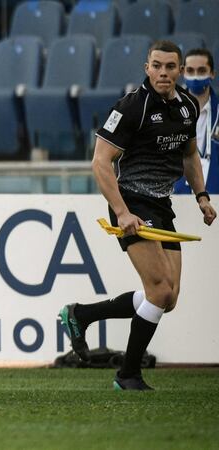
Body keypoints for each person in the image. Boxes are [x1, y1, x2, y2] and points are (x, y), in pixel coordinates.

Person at [58, 41, 216, 390]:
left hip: (161, 205)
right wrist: (122, 212)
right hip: (131, 202)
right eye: (156, 66)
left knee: (168, 298)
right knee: (158, 289)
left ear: (179, 71)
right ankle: (128, 374)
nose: (163, 72)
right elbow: (100, 162)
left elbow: (190, 155)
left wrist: (202, 196)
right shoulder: (132, 106)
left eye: (170, 67)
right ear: (147, 68)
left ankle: (82, 314)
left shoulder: (188, 106)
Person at [174, 48, 219, 194]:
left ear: (212, 74)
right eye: (190, 71)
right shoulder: (169, 112)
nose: (195, 77)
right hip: (177, 197)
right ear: (182, 72)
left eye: (201, 71)